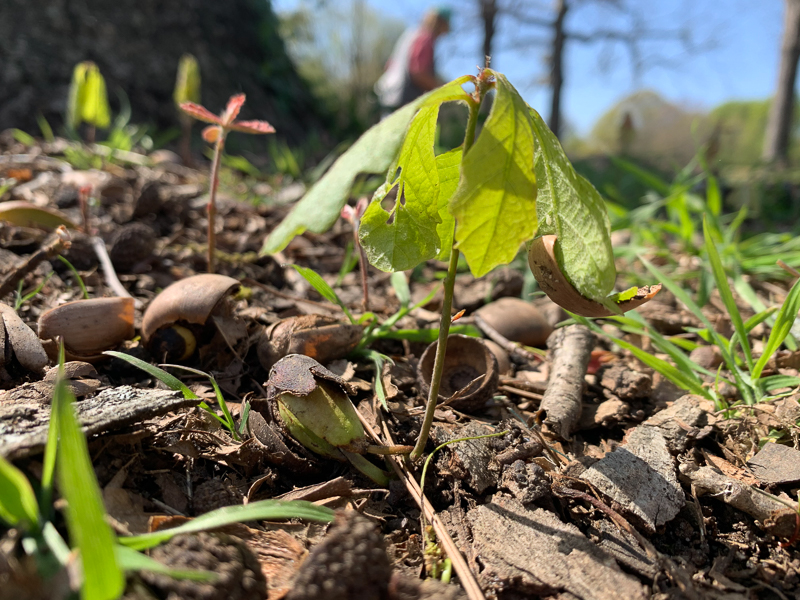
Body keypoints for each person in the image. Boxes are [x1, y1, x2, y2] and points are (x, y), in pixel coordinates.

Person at [375, 7, 451, 117]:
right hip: (405, 101)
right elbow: (418, 73)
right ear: (441, 23)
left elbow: (389, 66)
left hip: (389, 97)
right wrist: (444, 89)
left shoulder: (409, 35)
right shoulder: (425, 38)